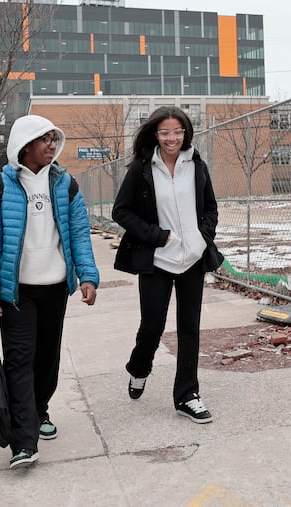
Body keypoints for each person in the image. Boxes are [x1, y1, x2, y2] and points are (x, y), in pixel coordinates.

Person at [0, 114, 100, 470]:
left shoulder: (67, 184)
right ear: (24, 145)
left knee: (47, 358)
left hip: (55, 287)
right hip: (16, 292)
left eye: (53, 139)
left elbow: (79, 235)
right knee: (18, 360)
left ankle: (39, 408)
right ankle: (23, 441)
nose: (51, 145)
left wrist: (88, 277)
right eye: (43, 139)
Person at [112, 106, 224, 424]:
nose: (172, 138)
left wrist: (202, 238)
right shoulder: (142, 168)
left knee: (189, 329)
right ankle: (139, 367)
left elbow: (211, 208)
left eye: (178, 132)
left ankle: (187, 395)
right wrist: (158, 237)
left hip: (192, 259)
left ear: (185, 133)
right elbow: (121, 211)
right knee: (152, 326)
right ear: (155, 134)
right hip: (158, 260)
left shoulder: (196, 165)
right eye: (165, 132)